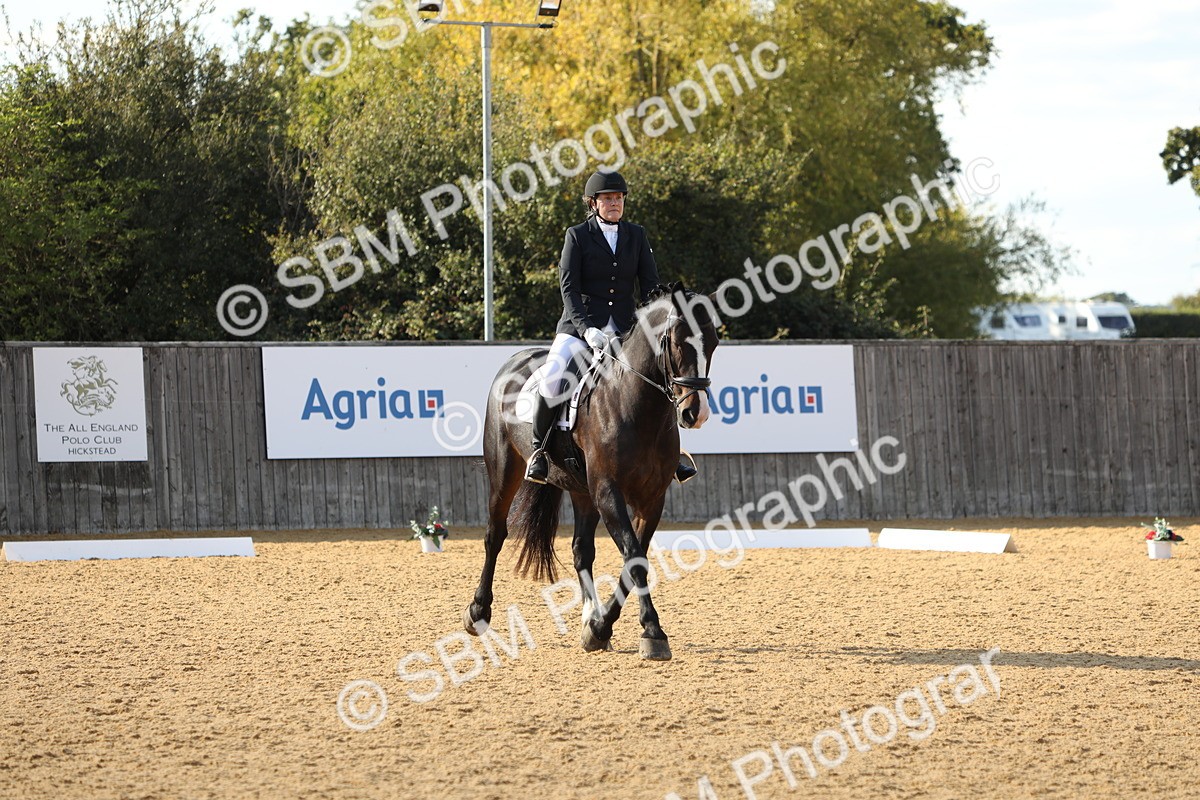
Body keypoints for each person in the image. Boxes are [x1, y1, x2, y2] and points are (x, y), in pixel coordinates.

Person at [524, 169, 698, 485]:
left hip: (624, 331)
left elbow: (649, 287)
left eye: (618, 198)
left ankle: (673, 453)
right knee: (553, 377)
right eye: (608, 199)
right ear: (594, 203)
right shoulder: (576, 235)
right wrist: (586, 328)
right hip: (579, 329)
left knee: (657, 378)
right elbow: (569, 289)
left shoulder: (636, 235)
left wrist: (667, 302)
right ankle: (538, 452)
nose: (615, 203)